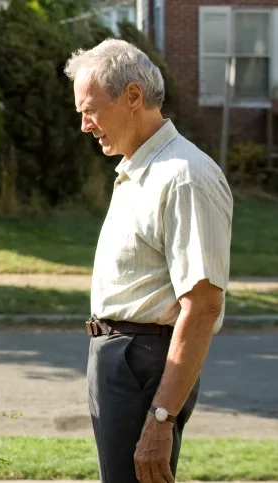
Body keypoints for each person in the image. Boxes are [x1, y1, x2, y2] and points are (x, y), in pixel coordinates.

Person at [64, 39, 233, 483]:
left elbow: (203, 306)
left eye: (90, 110)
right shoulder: (141, 168)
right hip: (121, 358)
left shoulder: (183, 177)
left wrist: (161, 418)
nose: (84, 125)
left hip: (143, 363)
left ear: (133, 97)